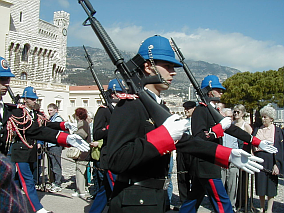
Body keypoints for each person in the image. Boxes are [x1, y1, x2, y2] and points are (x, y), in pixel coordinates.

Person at [103, 35, 264, 213]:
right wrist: (163, 137)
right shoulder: (130, 105)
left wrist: (227, 154)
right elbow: (116, 159)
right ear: (148, 67)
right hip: (133, 201)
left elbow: (186, 141)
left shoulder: (158, 106)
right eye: (168, 66)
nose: (173, 72)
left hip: (156, 198)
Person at [0, 57, 90, 213]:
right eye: (2, 79)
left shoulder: (12, 112)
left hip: (29, 152)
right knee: (24, 181)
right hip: (20, 152)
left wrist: (65, 136)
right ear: (25, 99)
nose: (6, 83)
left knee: (19, 182)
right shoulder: (15, 111)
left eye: (7, 79)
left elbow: (38, 129)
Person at [180, 75, 277, 213]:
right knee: (222, 201)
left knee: (192, 200)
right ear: (210, 92)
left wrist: (258, 142)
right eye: (219, 90)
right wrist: (219, 128)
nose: (222, 93)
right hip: (206, 164)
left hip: (208, 163)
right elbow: (198, 138)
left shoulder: (212, 110)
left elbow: (233, 130)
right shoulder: (201, 110)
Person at [89, 79, 123, 213]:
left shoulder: (122, 109)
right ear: (113, 94)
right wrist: (113, 128)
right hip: (109, 155)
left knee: (105, 190)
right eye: (120, 92)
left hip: (120, 153)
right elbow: (97, 133)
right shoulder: (103, 110)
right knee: (117, 190)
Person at [253, 105, 283, 213]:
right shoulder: (258, 129)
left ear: (271, 118)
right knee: (260, 184)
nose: (263, 119)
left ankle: (269, 209)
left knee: (271, 185)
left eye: (265, 117)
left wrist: (277, 164)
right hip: (260, 158)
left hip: (271, 159)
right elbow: (253, 144)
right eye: (262, 117)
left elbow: (280, 149)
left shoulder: (278, 131)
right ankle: (262, 208)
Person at [176, 101, 197, 207]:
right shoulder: (183, 121)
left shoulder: (198, 122)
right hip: (182, 151)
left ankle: (193, 200)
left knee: (194, 176)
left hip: (193, 151)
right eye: (185, 108)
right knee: (182, 176)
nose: (186, 111)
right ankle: (183, 200)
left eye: (188, 108)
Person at [232, 104, 253, 209]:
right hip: (233, 153)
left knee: (243, 179)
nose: (235, 113)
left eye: (238, 112)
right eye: (234, 111)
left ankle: (243, 201)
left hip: (243, 153)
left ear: (243, 114)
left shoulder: (246, 125)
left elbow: (251, 140)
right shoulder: (232, 124)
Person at [221, 108, 239, 212]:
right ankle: (221, 206)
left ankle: (231, 206)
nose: (229, 119)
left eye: (230, 117)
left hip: (233, 161)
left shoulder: (236, 130)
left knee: (233, 185)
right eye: (226, 117)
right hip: (221, 161)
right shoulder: (219, 130)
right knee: (221, 185)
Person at [72, 107, 91, 198]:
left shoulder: (82, 123)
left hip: (83, 151)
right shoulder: (85, 123)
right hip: (85, 150)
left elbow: (82, 134)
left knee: (79, 171)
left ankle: (81, 191)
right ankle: (83, 188)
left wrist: (74, 135)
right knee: (82, 171)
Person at [46, 103, 64, 193]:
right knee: (51, 165)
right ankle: (53, 181)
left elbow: (58, 133)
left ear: (56, 110)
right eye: (48, 110)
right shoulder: (51, 119)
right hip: (49, 144)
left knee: (56, 164)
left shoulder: (57, 119)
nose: (49, 112)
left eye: (51, 110)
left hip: (55, 145)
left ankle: (58, 183)